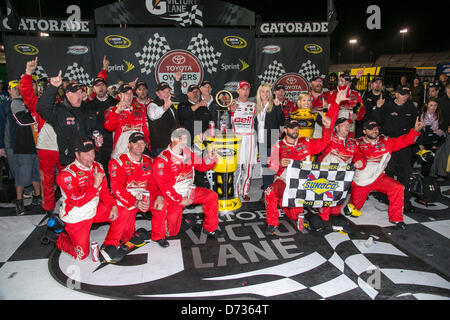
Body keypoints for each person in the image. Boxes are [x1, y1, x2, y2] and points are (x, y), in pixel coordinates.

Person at [55, 139, 128, 262]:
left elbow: (104, 192)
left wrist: (113, 206)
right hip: (76, 215)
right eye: (86, 154)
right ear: (77, 154)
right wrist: (94, 186)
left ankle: (110, 244)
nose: (91, 157)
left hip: (94, 209)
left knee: (122, 211)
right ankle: (61, 238)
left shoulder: (97, 167)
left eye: (92, 153)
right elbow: (77, 201)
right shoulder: (66, 175)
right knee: (81, 255)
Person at [350, 118, 424, 229]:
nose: (375, 131)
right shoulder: (357, 143)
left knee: (398, 187)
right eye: (371, 129)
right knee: (352, 210)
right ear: (364, 131)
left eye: (376, 129)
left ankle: (396, 218)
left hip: (379, 178)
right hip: (361, 181)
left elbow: (404, 140)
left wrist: (415, 130)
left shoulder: (385, 141)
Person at [264, 115, 332, 236]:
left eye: (296, 127)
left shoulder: (305, 142)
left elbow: (324, 143)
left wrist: (327, 128)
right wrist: (278, 163)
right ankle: (272, 223)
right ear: (285, 130)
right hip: (285, 180)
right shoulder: (278, 145)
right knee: (270, 192)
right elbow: (270, 166)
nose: (295, 130)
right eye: (291, 127)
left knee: (326, 184)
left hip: (305, 181)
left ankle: (324, 219)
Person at [152, 128, 221, 240]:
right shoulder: (162, 160)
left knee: (211, 196)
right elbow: (165, 188)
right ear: (172, 139)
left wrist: (211, 158)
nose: (183, 141)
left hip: (190, 191)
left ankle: (210, 229)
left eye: (185, 138)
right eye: (180, 138)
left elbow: (202, 165)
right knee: (171, 232)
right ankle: (166, 227)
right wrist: (180, 200)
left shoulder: (188, 151)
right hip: (173, 196)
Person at [20, 58, 63, 215]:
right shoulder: (38, 105)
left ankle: (70, 207)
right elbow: (26, 93)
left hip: (63, 148)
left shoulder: (63, 104)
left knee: (67, 180)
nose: (47, 90)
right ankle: (48, 209)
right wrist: (28, 73)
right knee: (47, 182)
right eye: (45, 88)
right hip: (45, 149)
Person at [109, 132, 167, 247]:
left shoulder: (148, 161)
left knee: (161, 204)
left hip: (144, 195)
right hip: (127, 199)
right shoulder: (118, 162)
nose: (139, 146)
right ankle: (122, 237)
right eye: (135, 143)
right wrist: (135, 202)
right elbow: (118, 190)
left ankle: (158, 235)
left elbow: (154, 184)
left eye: (142, 143)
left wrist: (159, 196)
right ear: (129, 145)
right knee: (127, 237)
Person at [310, 117, 367, 231]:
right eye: (344, 124)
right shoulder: (329, 139)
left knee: (335, 211)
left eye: (348, 125)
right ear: (337, 127)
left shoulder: (352, 143)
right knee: (325, 213)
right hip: (325, 179)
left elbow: (360, 156)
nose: (347, 127)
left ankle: (331, 216)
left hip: (342, 181)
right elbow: (320, 143)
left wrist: (361, 161)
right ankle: (322, 217)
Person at [36, 71, 99, 166]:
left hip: (89, 158)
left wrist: (97, 139)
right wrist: (53, 87)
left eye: (80, 92)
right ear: (67, 94)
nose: (79, 95)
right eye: (75, 92)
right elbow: (42, 108)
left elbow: (94, 129)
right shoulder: (59, 111)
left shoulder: (87, 109)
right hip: (70, 160)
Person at [372, 85, 419, 212]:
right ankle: (386, 196)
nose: (405, 96)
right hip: (390, 143)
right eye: (402, 93)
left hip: (405, 144)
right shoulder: (387, 106)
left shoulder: (411, 107)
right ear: (397, 94)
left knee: (405, 172)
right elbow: (375, 121)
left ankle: (405, 200)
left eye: (407, 93)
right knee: (388, 171)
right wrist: (378, 108)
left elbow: (416, 125)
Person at [9, 80, 41, 215]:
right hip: (23, 145)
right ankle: (19, 202)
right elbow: (23, 120)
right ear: (9, 90)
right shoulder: (15, 103)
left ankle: (37, 197)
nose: (17, 90)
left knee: (36, 173)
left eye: (19, 87)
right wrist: (36, 114)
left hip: (36, 144)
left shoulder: (27, 101)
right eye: (14, 88)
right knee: (22, 175)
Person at [104, 83, 151, 159]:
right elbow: (109, 127)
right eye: (126, 93)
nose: (129, 96)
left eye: (131, 93)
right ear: (119, 95)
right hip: (120, 154)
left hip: (138, 154)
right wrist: (117, 111)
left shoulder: (139, 110)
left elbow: (145, 131)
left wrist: (146, 145)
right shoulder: (112, 110)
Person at [254, 83, 285, 196]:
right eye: (263, 91)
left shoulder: (275, 104)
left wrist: (278, 108)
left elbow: (282, 121)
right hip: (261, 142)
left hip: (272, 140)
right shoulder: (257, 106)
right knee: (265, 168)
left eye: (267, 91)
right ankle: (268, 193)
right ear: (259, 93)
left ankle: (269, 194)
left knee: (271, 169)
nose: (265, 94)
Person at [229, 81, 257, 201]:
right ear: (238, 90)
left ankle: (245, 191)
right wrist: (230, 110)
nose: (245, 91)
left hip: (250, 138)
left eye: (247, 89)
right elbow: (224, 121)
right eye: (243, 89)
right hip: (237, 138)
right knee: (237, 167)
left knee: (248, 167)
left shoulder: (254, 105)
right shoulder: (231, 104)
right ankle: (236, 192)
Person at [86, 77, 118, 181]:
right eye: (97, 85)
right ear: (93, 89)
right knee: (97, 169)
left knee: (113, 169)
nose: (101, 87)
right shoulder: (88, 106)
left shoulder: (115, 103)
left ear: (106, 87)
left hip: (112, 142)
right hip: (95, 145)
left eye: (103, 85)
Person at [147, 82, 178, 157]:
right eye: (164, 91)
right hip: (160, 147)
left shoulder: (171, 106)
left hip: (172, 145)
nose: (167, 94)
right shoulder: (152, 105)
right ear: (157, 93)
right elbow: (153, 116)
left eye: (168, 91)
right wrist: (164, 107)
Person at [417, 98, 446, 176]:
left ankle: (427, 177)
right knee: (423, 160)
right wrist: (420, 144)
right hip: (421, 140)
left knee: (430, 161)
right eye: (431, 105)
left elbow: (442, 129)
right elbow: (417, 131)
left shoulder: (439, 115)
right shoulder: (421, 115)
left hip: (433, 140)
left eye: (435, 105)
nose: (433, 107)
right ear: (427, 105)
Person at [334, 73, 365, 138]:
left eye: (348, 82)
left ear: (350, 83)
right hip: (337, 119)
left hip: (351, 119)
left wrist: (357, 115)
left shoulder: (356, 94)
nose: (346, 84)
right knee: (336, 139)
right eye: (343, 82)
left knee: (350, 140)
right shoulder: (335, 93)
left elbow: (362, 108)